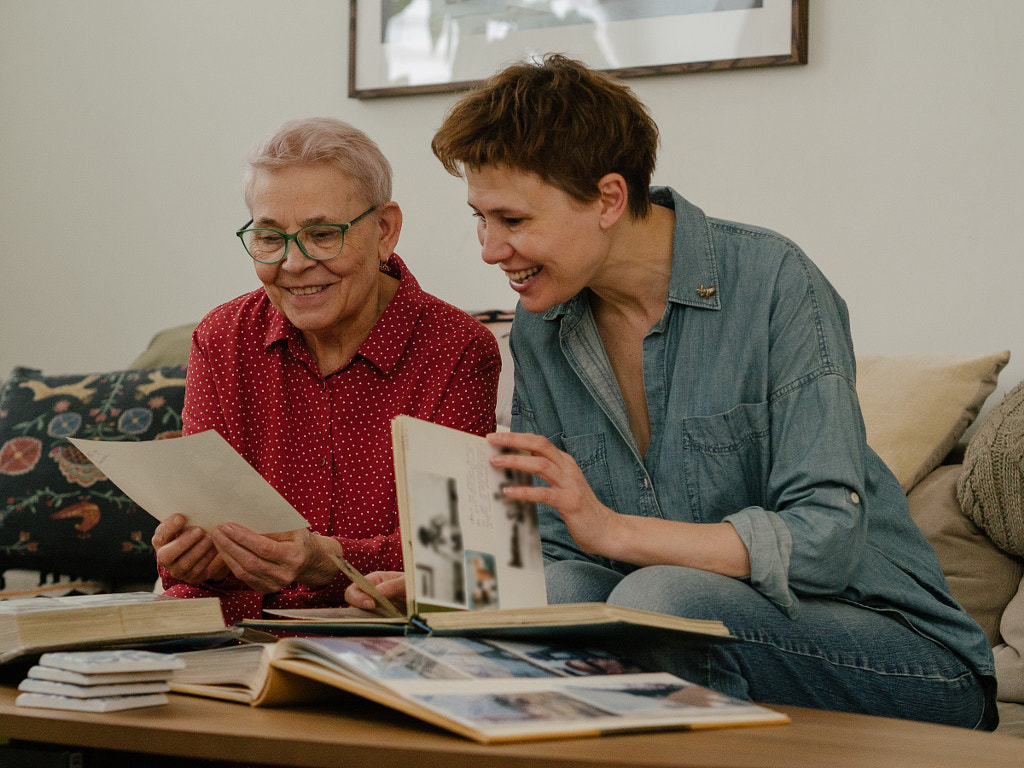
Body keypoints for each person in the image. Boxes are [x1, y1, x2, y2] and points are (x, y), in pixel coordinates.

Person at [428, 54, 997, 729]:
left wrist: (616, 530)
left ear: (609, 198)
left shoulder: (774, 285)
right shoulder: (543, 324)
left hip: (898, 653)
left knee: (662, 598)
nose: (491, 250)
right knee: (549, 595)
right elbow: (558, 546)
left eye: (513, 221)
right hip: (694, 625)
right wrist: (458, 590)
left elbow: (826, 538)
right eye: (480, 219)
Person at [152, 118, 500, 626]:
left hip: (382, 640)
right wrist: (190, 558)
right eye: (270, 238)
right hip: (233, 637)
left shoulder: (457, 350)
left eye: (321, 235)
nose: (293, 263)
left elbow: (462, 559)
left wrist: (328, 562)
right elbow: (194, 553)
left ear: (385, 230)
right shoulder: (222, 338)